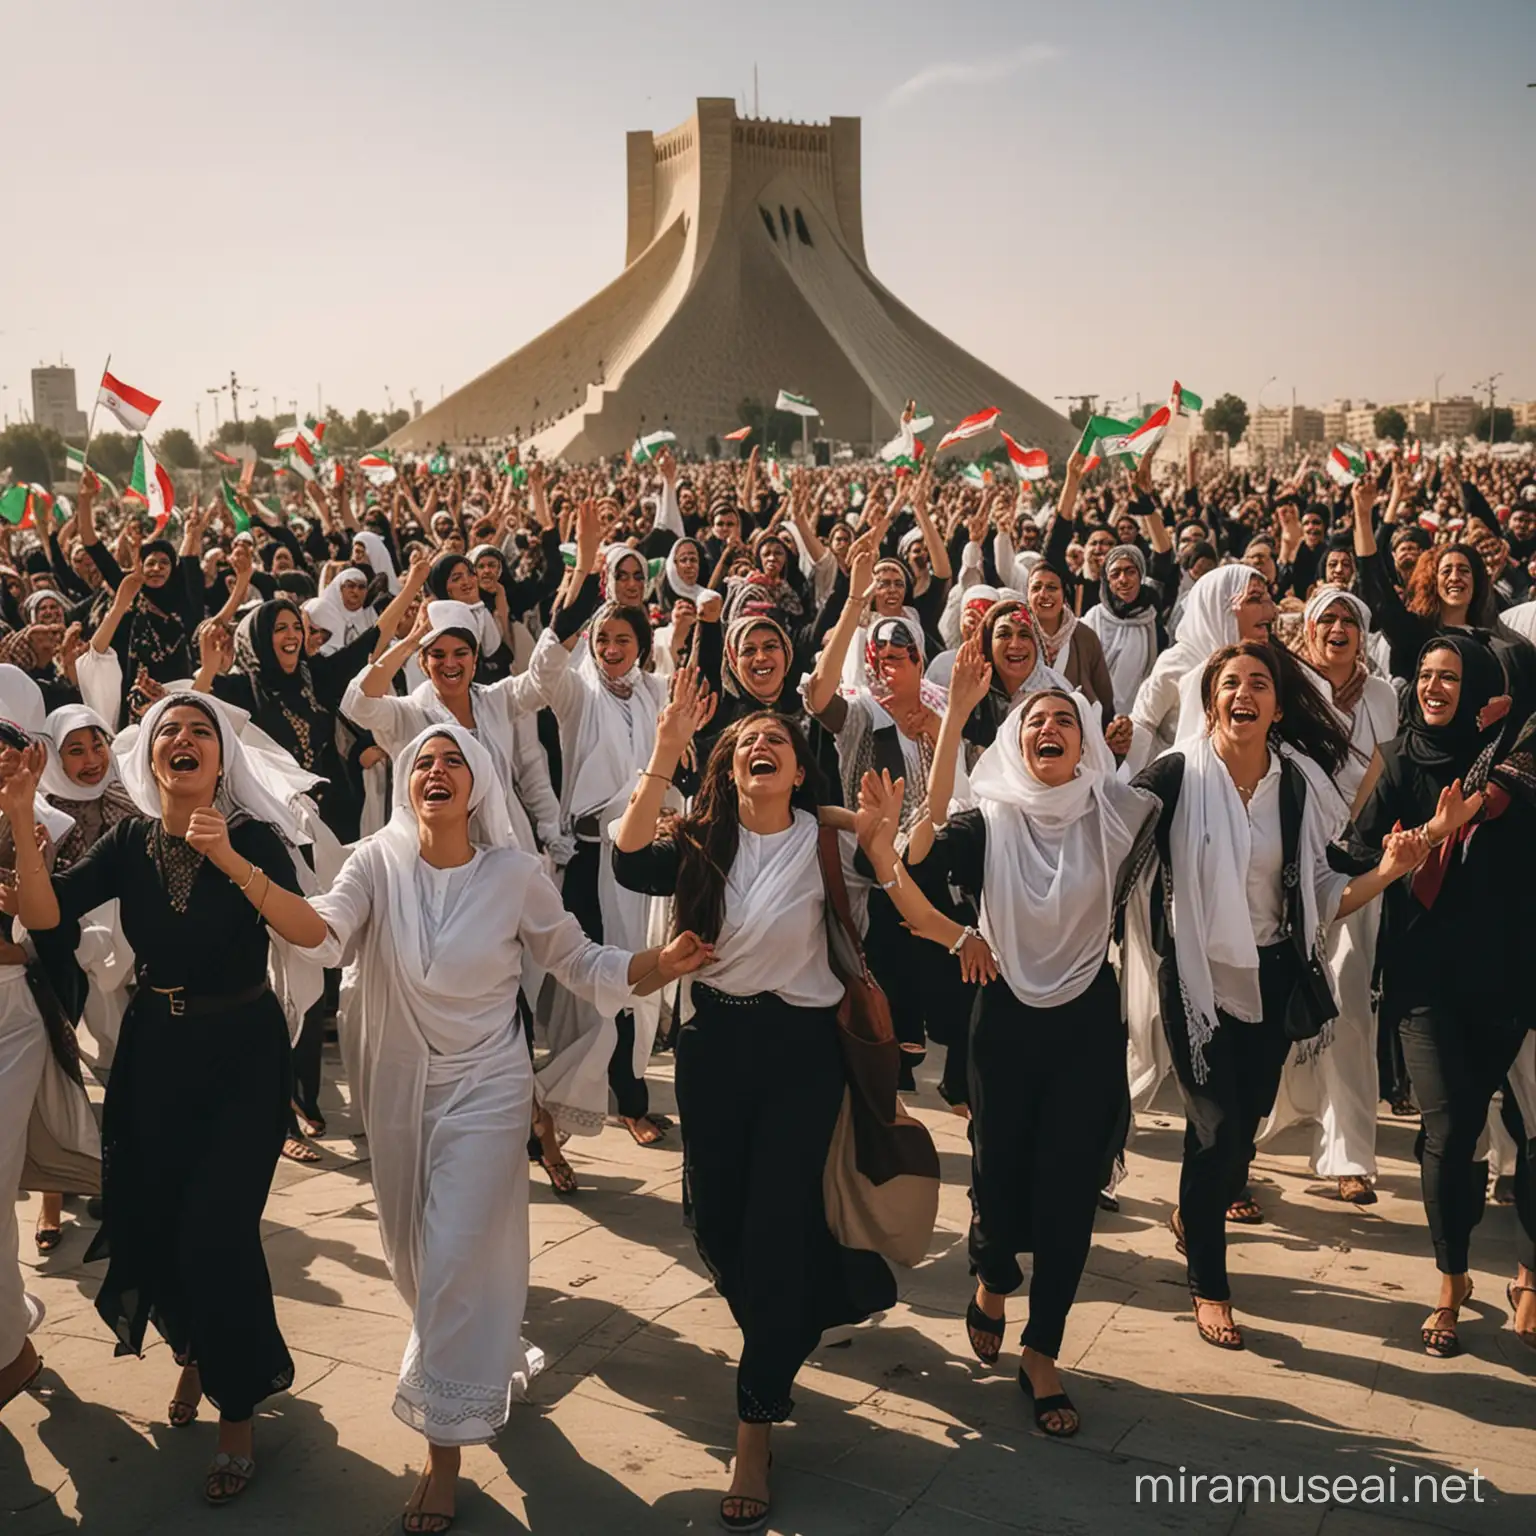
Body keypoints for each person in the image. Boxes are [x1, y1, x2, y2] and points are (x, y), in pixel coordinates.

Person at [299, 724, 708, 1532]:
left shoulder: (515, 874)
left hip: (488, 1089)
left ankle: (441, 1452)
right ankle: (478, 1362)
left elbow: (580, 961)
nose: (436, 769)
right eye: (425, 761)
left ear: (480, 784)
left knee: (452, 1256)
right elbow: (323, 931)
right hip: (398, 1091)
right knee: (419, 1264)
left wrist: (657, 963)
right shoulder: (373, 864)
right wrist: (245, 875)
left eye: (454, 760)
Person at [1, 692, 329, 1504]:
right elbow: (46, 913)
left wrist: (229, 861)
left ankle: (237, 1412)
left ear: (220, 759)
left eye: (198, 732)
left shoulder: (251, 838)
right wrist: (17, 816)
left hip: (243, 1058)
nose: (181, 740)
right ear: (149, 758)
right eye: (167, 733)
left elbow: (309, 932)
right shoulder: (128, 841)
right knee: (164, 1218)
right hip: (155, 1055)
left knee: (219, 1227)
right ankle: (198, 1353)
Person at [614, 681, 898, 1532]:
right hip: (714, 1049)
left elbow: (894, 856)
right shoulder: (702, 839)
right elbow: (628, 858)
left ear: (798, 766)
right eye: (745, 744)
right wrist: (667, 748)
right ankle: (798, 1312)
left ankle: (755, 1421)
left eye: (776, 741)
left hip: (802, 1052)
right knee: (716, 1225)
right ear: (730, 769)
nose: (760, 748)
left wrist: (859, 823)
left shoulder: (824, 843)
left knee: (773, 1227)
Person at [862, 642, 1157, 1436]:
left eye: (1068, 719)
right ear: (1018, 746)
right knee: (999, 1174)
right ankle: (992, 1274)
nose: (1053, 727)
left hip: (1088, 1020)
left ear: (1087, 743)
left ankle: (1043, 1350)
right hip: (1003, 1014)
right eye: (1038, 721)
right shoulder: (990, 818)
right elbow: (919, 860)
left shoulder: (1118, 813)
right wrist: (953, 717)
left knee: (1070, 1186)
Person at [1122, 642, 1420, 1349]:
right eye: (1231, 683)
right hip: (1195, 981)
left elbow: (1321, 895)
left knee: (1240, 1125)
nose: (1244, 693)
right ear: (1211, 700)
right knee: (1218, 1128)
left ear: (1277, 707)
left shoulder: (1298, 783)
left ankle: (1196, 1213)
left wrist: (1388, 869)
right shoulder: (1174, 776)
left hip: (1271, 979)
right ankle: (1209, 1284)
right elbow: (1110, 843)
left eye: (1259, 683)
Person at [1351, 635, 1536, 1357]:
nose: (1436, 688)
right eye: (1425, 675)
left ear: (1495, 690)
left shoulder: (1521, 769)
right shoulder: (1399, 760)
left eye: (1454, 678)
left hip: (1509, 979)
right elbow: (1356, 851)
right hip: (1423, 978)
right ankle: (1450, 1279)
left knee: (1518, 1135)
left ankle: (1524, 1271)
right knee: (1450, 1131)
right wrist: (1416, 843)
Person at [1261, 587, 1400, 1204]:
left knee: (1349, 998)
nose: (1338, 628)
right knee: (1275, 996)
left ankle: (1350, 1155)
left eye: (1348, 618)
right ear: (1309, 629)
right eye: (1327, 618)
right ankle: (1267, 1120)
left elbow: (1389, 771)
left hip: (1359, 866)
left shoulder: (1381, 694)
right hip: (1288, 862)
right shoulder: (1287, 687)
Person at [1120, 563, 1277, 776]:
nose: (1272, 612)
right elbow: (1143, 725)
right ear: (1219, 608)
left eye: (1267, 599)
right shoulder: (1179, 662)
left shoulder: (1267, 661)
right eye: (1254, 600)